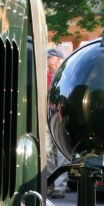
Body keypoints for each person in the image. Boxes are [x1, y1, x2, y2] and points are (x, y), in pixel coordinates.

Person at [46, 47, 68, 197]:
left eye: (50, 57)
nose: (47, 60)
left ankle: (60, 187)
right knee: (46, 151)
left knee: (61, 153)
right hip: (47, 118)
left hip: (61, 119)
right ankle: (50, 182)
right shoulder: (46, 76)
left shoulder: (65, 75)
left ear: (58, 59)